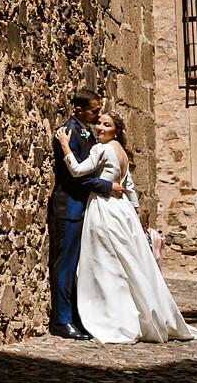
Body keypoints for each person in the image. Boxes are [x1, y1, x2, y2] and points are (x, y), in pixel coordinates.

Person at [55, 111, 197, 344]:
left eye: (106, 125)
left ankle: (112, 316)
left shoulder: (101, 148)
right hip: (123, 210)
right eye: (98, 123)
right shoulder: (121, 150)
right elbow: (129, 185)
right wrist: (137, 212)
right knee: (129, 261)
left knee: (105, 262)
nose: (99, 128)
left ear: (116, 130)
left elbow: (78, 171)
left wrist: (65, 147)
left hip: (105, 208)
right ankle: (137, 311)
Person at [48, 89, 124, 339]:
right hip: (70, 206)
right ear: (79, 110)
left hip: (87, 208)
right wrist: (107, 187)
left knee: (84, 265)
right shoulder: (67, 132)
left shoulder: (88, 132)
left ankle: (81, 317)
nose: (99, 114)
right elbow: (74, 177)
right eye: (95, 110)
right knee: (66, 265)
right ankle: (62, 321)